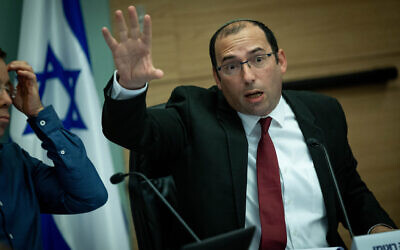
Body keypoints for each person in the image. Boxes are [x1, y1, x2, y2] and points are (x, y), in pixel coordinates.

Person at [101, 6, 396, 249]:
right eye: (231, 66)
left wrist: (379, 231)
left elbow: (350, 190)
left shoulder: (323, 112)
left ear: (280, 61)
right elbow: (131, 131)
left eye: (258, 59)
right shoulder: (193, 114)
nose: (248, 76)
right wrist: (130, 85)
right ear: (217, 78)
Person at [0, 48, 108, 250]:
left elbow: (90, 196)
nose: (7, 100)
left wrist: (38, 113)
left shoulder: (15, 160)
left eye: (7, 88)